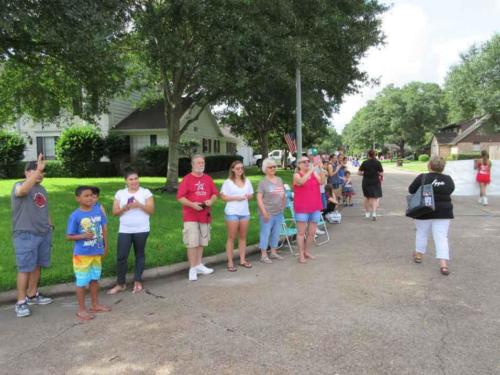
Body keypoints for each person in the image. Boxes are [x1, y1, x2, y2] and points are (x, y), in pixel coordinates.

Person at [11, 154, 54, 318]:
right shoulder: (19, 185)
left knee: (37, 265)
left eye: (42, 172)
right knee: (25, 268)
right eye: (36, 171)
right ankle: (21, 301)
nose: (40, 174)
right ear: (26, 172)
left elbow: (43, 209)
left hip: (43, 233)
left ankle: (32, 294)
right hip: (26, 234)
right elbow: (22, 191)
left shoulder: (42, 189)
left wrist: (50, 225)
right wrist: (38, 170)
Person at [66, 186, 111, 321]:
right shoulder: (75, 216)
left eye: (91, 195)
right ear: (78, 198)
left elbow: (103, 229)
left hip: (96, 252)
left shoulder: (98, 211)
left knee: (94, 278)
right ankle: (81, 310)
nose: (90, 198)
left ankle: (95, 304)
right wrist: (83, 235)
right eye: (86, 196)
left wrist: (105, 245)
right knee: (81, 282)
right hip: (82, 255)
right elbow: (69, 236)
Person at [108, 169, 155, 294]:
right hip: (125, 229)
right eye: (131, 179)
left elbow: (151, 211)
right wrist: (125, 207)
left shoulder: (145, 192)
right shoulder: (120, 193)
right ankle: (120, 283)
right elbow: (114, 212)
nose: (134, 181)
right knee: (121, 256)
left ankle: (138, 281)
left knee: (139, 254)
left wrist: (140, 205)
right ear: (126, 181)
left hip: (142, 229)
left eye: (136, 178)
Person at [408, 156, 455, 276]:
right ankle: (443, 264)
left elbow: (411, 190)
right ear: (442, 167)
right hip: (444, 212)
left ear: (429, 165)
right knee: (441, 237)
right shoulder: (448, 179)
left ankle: (419, 255)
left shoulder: (422, 177)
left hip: (424, 210)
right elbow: (450, 190)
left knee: (422, 232)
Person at [177, 155, 218, 281]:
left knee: (201, 242)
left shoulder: (208, 178)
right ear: (192, 165)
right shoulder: (187, 179)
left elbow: (215, 194)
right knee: (192, 242)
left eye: (202, 162)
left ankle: (199, 264)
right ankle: (192, 268)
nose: (201, 165)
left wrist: (211, 201)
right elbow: (180, 197)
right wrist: (192, 205)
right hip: (191, 216)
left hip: (204, 215)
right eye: (198, 163)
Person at [220, 161, 254, 272]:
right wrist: (236, 198)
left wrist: (248, 196)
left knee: (243, 237)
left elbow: (251, 195)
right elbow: (223, 197)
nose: (240, 170)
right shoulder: (228, 182)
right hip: (232, 212)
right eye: (238, 168)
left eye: (242, 168)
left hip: (244, 212)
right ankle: (230, 262)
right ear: (233, 169)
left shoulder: (247, 181)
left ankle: (242, 260)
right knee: (231, 237)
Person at [293, 156, 325, 263]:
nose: (307, 163)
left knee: (312, 232)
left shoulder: (313, 174)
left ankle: (306, 251)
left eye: (308, 161)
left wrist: (320, 170)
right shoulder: (297, 175)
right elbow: (301, 182)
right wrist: (311, 169)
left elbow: (322, 182)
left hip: (315, 206)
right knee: (301, 233)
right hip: (302, 208)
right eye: (304, 162)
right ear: (299, 164)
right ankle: (301, 254)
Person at [256, 158, 286, 263]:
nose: (273, 168)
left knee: (276, 233)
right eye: (270, 167)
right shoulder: (263, 182)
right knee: (265, 233)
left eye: (274, 166)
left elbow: (282, 193)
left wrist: (283, 205)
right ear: (265, 169)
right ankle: (263, 255)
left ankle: (273, 252)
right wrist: (264, 212)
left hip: (278, 212)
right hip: (267, 213)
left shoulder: (279, 179)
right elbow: (259, 198)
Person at [358, 149, 384, 221]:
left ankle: (367, 213)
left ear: (368, 155)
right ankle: (374, 213)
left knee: (367, 197)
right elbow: (381, 173)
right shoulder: (378, 162)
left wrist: (365, 173)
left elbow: (359, 173)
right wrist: (377, 173)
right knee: (374, 198)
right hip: (375, 182)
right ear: (374, 155)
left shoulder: (364, 163)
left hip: (366, 182)